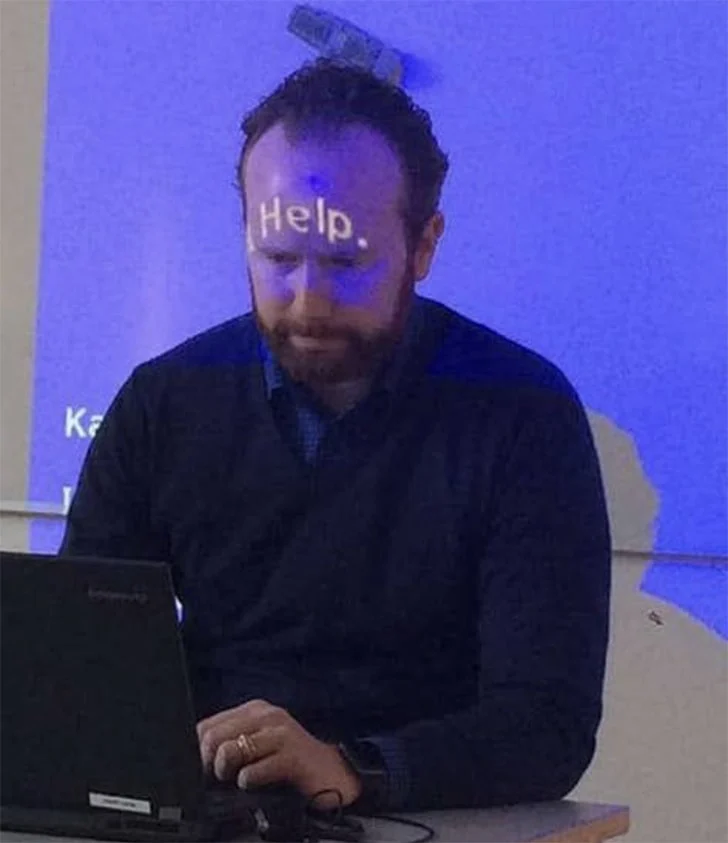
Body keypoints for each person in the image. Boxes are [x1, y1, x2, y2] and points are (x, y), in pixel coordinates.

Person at [60, 57, 611, 814]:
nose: (308, 301)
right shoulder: (163, 403)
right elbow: (84, 670)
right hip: (216, 804)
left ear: (424, 246)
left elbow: (547, 724)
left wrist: (356, 768)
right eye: (279, 259)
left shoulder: (523, 414)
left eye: (345, 262)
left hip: (428, 816)